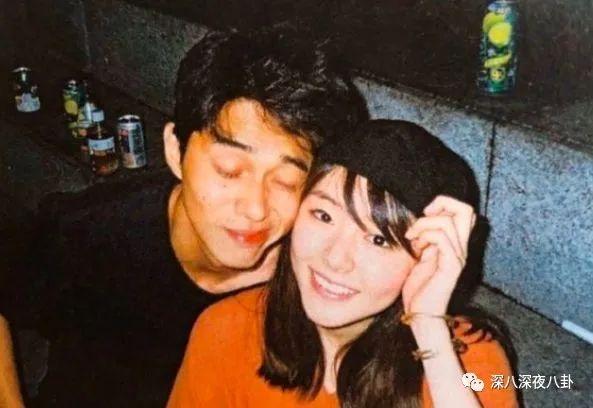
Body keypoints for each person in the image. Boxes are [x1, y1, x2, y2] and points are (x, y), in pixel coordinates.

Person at [1, 27, 366, 407]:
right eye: (229, 170)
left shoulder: (319, 278)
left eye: (288, 181)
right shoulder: (97, 230)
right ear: (176, 152)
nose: (256, 208)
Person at [168, 120, 519, 407]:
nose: (336, 259)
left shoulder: (465, 361)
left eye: (379, 240)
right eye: (323, 215)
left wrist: (428, 325)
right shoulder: (226, 331)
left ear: (427, 259)